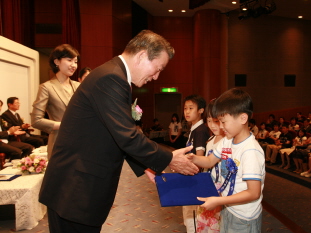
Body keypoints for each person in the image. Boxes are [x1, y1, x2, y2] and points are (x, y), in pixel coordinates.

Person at [38, 30, 199, 233]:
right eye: (158, 68)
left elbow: (113, 134)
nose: (156, 76)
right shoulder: (112, 78)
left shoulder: (113, 74)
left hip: (78, 187)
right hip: (74, 190)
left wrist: (146, 165)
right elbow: (127, 136)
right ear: (142, 55)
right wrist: (169, 158)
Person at [188, 88, 265, 232]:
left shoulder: (250, 151)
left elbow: (254, 192)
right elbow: (210, 161)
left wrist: (218, 200)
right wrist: (192, 158)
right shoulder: (227, 141)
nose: (221, 127)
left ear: (243, 118)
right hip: (229, 208)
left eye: (223, 122)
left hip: (244, 217)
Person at [31, 44, 80, 159]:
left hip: (80, 142)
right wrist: (62, 125)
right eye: (69, 60)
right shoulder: (46, 87)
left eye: (76, 61)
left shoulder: (78, 86)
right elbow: (36, 120)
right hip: (59, 143)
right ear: (57, 62)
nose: (73, 65)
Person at [195, 99, 225, 233]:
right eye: (209, 121)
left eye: (216, 121)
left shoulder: (228, 142)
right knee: (203, 224)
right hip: (208, 186)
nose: (212, 125)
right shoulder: (210, 141)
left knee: (217, 226)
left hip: (222, 190)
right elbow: (207, 164)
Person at [182, 94, 210, 233]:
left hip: (195, 179)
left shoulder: (200, 131)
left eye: (191, 108)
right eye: (185, 108)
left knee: (193, 218)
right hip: (190, 176)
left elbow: (199, 158)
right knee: (189, 216)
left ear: (200, 110)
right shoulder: (194, 129)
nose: (187, 111)